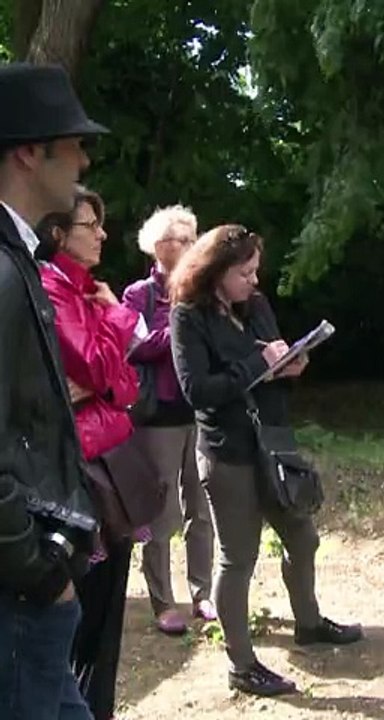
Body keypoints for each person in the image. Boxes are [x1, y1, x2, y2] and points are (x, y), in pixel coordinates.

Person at [169, 224, 362, 697]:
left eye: (256, 270)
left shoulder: (254, 305)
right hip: (227, 452)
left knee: (304, 536)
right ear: (215, 273)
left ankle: (310, 623)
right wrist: (259, 365)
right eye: (244, 272)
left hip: (273, 444)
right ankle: (242, 664)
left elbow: (273, 358)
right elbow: (198, 391)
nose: (255, 281)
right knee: (238, 559)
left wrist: (292, 364)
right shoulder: (188, 316)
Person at [0, 63, 107, 720]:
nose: (84, 158)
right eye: (73, 144)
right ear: (28, 152)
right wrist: (37, 571)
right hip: (17, 598)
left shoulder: (19, 257)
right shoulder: (3, 272)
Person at [35, 186, 150, 720]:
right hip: (80, 474)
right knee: (78, 620)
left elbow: (127, 387)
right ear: (59, 234)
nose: (103, 233)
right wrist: (118, 323)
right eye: (91, 225)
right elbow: (105, 370)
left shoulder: (88, 293)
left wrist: (105, 370)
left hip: (105, 468)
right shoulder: (53, 289)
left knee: (103, 619)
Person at [122, 205, 215, 635]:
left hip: (200, 411)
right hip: (156, 416)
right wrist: (178, 330)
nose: (185, 245)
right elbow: (136, 347)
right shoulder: (136, 296)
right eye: (177, 238)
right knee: (160, 511)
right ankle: (162, 600)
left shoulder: (201, 292)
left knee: (202, 506)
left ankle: (203, 593)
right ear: (157, 247)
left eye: (189, 237)